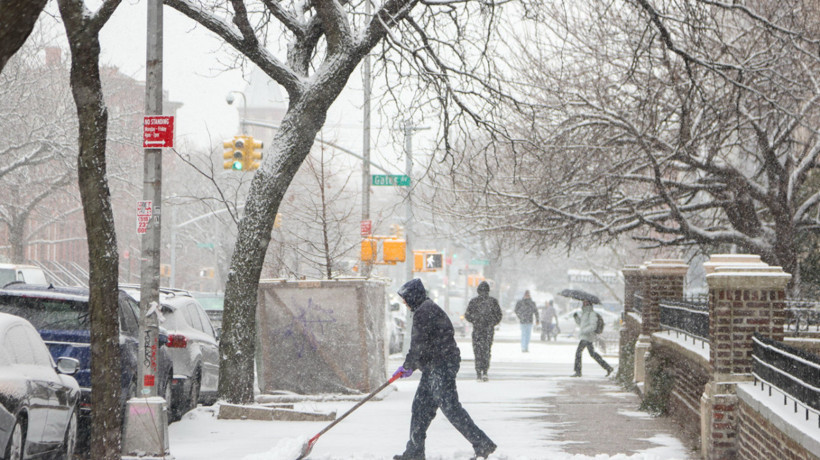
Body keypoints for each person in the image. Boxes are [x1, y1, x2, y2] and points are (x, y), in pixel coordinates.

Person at [393, 278, 497, 460]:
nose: (404, 302)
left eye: (405, 298)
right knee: (420, 408)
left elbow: (418, 346)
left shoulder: (423, 312)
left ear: (413, 296)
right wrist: (412, 365)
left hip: (440, 366)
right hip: (435, 365)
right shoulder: (426, 308)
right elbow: (425, 345)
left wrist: (408, 365)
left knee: (450, 408)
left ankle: (482, 443)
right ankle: (414, 451)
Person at [464, 281, 503, 381]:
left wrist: (475, 321)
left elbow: (467, 315)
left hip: (478, 330)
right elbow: (499, 315)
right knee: (486, 350)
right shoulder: (493, 301)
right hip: (488, 330)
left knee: (477, 351)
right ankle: (485, 371)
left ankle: (478, 372)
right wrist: (492, 323)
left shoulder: (474, 302)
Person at [572, 299, 614, 377]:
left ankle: (578, 371)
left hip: (588, 337)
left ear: (589, 303)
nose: (583, 303)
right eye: (583, 302)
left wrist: (585, 331)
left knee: (578, 352)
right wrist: (576, 317)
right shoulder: (585, 313)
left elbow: (593, 326)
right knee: (593, 354)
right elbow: (581, 324)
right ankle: (608, 368)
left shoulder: (592, 314)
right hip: (585, 336)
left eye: (585, 302)